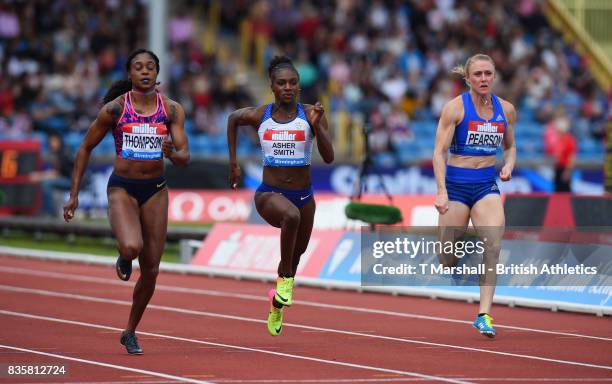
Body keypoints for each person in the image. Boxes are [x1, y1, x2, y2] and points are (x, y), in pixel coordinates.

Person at [63, 49, 190, 354]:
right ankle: (124, 254)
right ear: (130, 74)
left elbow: (185, 158)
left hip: (156, 190)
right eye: (138, 67)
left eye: (150, 67)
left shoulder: (171, 110)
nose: (145, 72)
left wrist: (171, 152)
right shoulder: (115, 109)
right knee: (132, 247)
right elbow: (84, 148)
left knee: (152, 271)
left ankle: (130, 330)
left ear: (157, 73)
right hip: (122, 188)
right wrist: (74, 194)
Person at [227, 55, 334, 337]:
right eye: (281, 83)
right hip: (269, 194)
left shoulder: (310, 112)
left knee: (296, 254)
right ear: (272, 86)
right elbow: (232, 119)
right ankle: (285, 280)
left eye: (293, 83)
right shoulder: (260, 115)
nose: (288, 87)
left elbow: (329, 156)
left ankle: (277, 303)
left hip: (304, 195)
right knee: (290, 216)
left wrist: (316, 126)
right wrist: (233, 164)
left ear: (299, 86)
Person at [432, 53, 516, 338]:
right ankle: (463, 240)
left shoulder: (506, 110)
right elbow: (439, 152)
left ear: (494, 76)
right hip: (455, 187)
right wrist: (442, 191)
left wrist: (509, 164)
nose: (483, 79)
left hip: (485, 187)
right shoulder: (455, 109)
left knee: (493, 244)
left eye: (488, 74)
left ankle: (484, 315)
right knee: (447, 259)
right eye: (478, 74)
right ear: (467, 78)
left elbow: (510, 146)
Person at [29, 132, 74, 217]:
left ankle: (49, 212)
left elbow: (57, 174)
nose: (51, 144)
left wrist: (39, 177)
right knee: (45, 183)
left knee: (46, 185)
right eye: (50, 142)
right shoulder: (60, 152)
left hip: (72, 182)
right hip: (66, 178)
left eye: (54, 142)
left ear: (59, 141)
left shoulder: (64, 153)